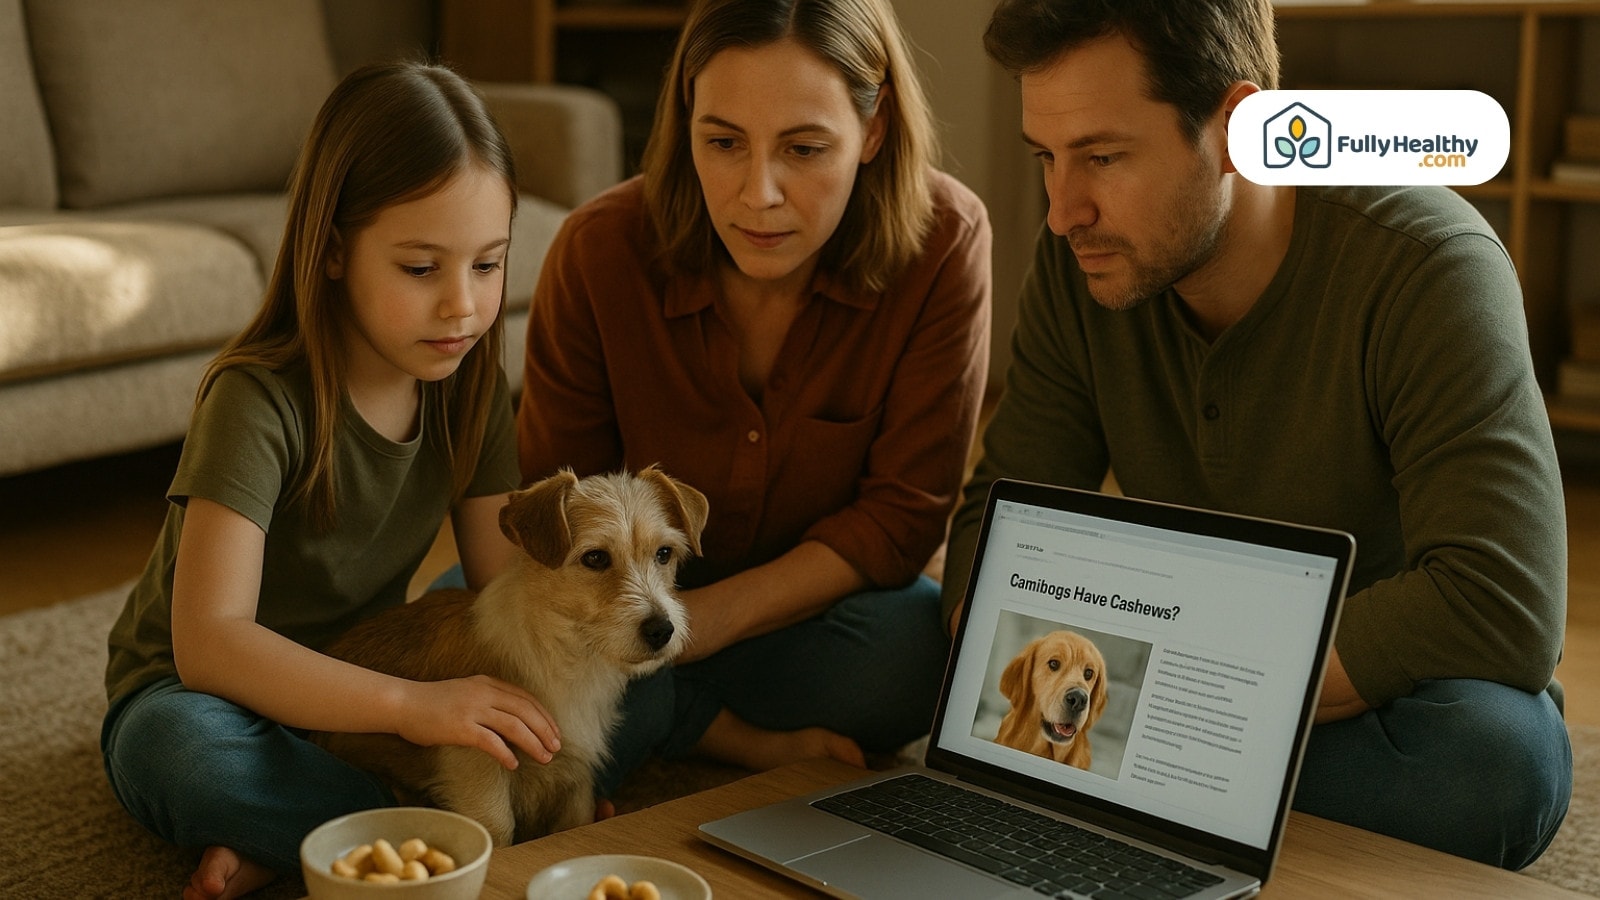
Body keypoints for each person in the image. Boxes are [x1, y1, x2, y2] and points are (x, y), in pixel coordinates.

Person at [944, 0, 1571, 871]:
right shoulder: (1082, 262)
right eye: (1047, 159)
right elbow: (988, 541)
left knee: (1499, 761)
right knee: (911, 650)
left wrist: (1197, 699)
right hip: (1182, 681)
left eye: (1103, 157)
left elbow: (1500, 600)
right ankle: (1167, 793)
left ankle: (1126, 788)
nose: (1061, 212)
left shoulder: (1429, 267)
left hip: (1361, 688)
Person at [99, 61, 562, 900]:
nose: (462, 306)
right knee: (180, 755)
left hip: (371, 663)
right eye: (421, 268)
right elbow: (210, 644)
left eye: (488, 266)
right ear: (336, 251)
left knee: (576, 641)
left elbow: (504, 591)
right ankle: (411, 815)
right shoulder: (256, 399)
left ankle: (322, 833)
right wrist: (414, 711)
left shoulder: (471, 386)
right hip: (207, 691)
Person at [516, 0, 992, 792]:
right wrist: (644, 621)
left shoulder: (946, 241)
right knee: (475, 619)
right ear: (686, 120)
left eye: (804, 148)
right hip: (624, 601)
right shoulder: (598, 249)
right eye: (723, 142)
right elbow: (557, 514)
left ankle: (657, 717)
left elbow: (902, 518)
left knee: (924, 656)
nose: (758, 193)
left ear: (873, 132)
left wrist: (683, 636)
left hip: (815, 616)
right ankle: (724, 730)